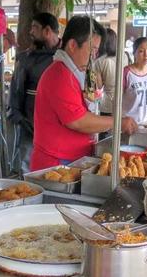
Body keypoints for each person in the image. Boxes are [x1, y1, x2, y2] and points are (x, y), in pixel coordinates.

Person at [31, 16, 138, 171]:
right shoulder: (60, 75)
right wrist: (119, 122)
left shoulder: (78, 72)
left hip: (74, 159)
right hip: (56, 165)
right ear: (73, 45)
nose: (94, 56)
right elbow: (78, 121)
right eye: (92, 49)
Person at [9, 12, 61, 173]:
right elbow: (16, 91)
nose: (31, 32)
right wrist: (19, 118)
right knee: (27, 168)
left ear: (47, 31)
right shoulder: (26, 58)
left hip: (58, 127)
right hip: (29, 127)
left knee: (56, 171)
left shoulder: (66, 56)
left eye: (35, 28)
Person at [122, 37, 147, 124]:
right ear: (134, 53)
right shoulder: (126, 72)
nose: (146, 54)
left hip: (145, 123)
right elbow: (117, 99)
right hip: (126, 124)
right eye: (141, 51)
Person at [93, 28, 119, 116]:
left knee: (107, 129)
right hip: (123, 102)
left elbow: (98, 86)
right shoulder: (125, 56)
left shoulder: (99, 62)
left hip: (107, 105)